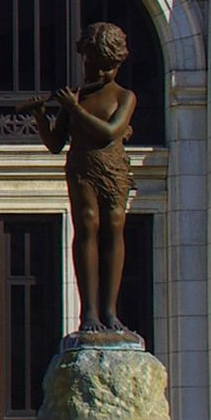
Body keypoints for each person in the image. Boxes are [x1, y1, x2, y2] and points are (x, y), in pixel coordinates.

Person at [36, 20, 140, 343]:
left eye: (107, 66)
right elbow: (55, 143)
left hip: (112, 167)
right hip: (82, 166)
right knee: (88, 224)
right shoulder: (79, 95)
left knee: (114, 224)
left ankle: (110, 310)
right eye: (95, 64)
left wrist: (74, 109)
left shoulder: (124, 96)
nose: (100, 72)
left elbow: (109, 132)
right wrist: (41, 115)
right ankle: (89, 311)